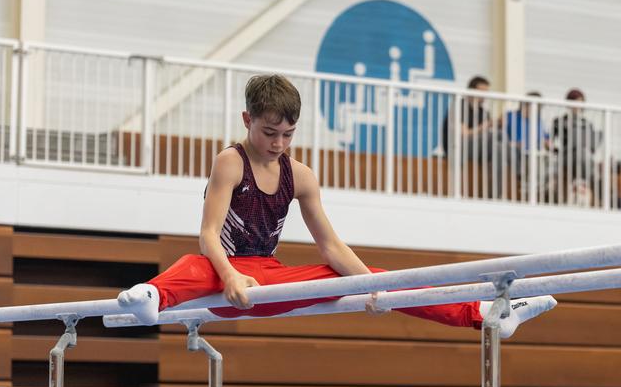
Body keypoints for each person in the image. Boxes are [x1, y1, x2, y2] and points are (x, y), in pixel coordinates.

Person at [118, 74, 556, 338]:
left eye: (288, 134)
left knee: (375, 276)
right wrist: (231, 274)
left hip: (266, 280)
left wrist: (371, 289)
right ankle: (153, 295)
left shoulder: (301, 176)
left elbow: (330, 246)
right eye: (270, 132)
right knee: (196, 263)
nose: (278, 144)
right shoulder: (230, 161)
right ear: (247, 120)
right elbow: (209, 233)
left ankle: (483, 315)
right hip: (222, 274)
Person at [551, 89, 598, 206]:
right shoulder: (559, 121)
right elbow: (551, 141)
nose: (578, 106)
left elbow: (592, 146)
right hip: (566, 157)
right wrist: (555, 149)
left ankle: (594, 203)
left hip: (583, 159)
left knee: (591, 168)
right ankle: (564, 200)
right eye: (576, 102)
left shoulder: (587, 123)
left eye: (580, 102)